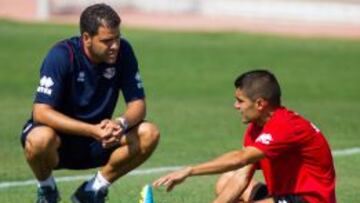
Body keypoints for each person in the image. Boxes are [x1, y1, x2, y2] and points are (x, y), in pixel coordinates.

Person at [20, 3, 160, 203]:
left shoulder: (124, 52)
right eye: (107, 41)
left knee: (149, 133)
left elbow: (138, 104)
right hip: (58, 143)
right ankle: (47, 190)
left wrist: (120, 123)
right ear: (86, 38)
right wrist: (92, 130)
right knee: (39, 139)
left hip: (99, 140)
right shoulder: (61, 55)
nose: (115, 46)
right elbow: (41, 113)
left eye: (117, 38)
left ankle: (93, 190)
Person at [153, 70, 336, 203]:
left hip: (308, 199)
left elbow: (240, 159)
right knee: (226, 181)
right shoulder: (256, 128)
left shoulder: (286, 125)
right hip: (282, 196)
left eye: (240, 101)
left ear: (260, 104)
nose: (235, 106)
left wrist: (190, 170)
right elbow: (241, 176)